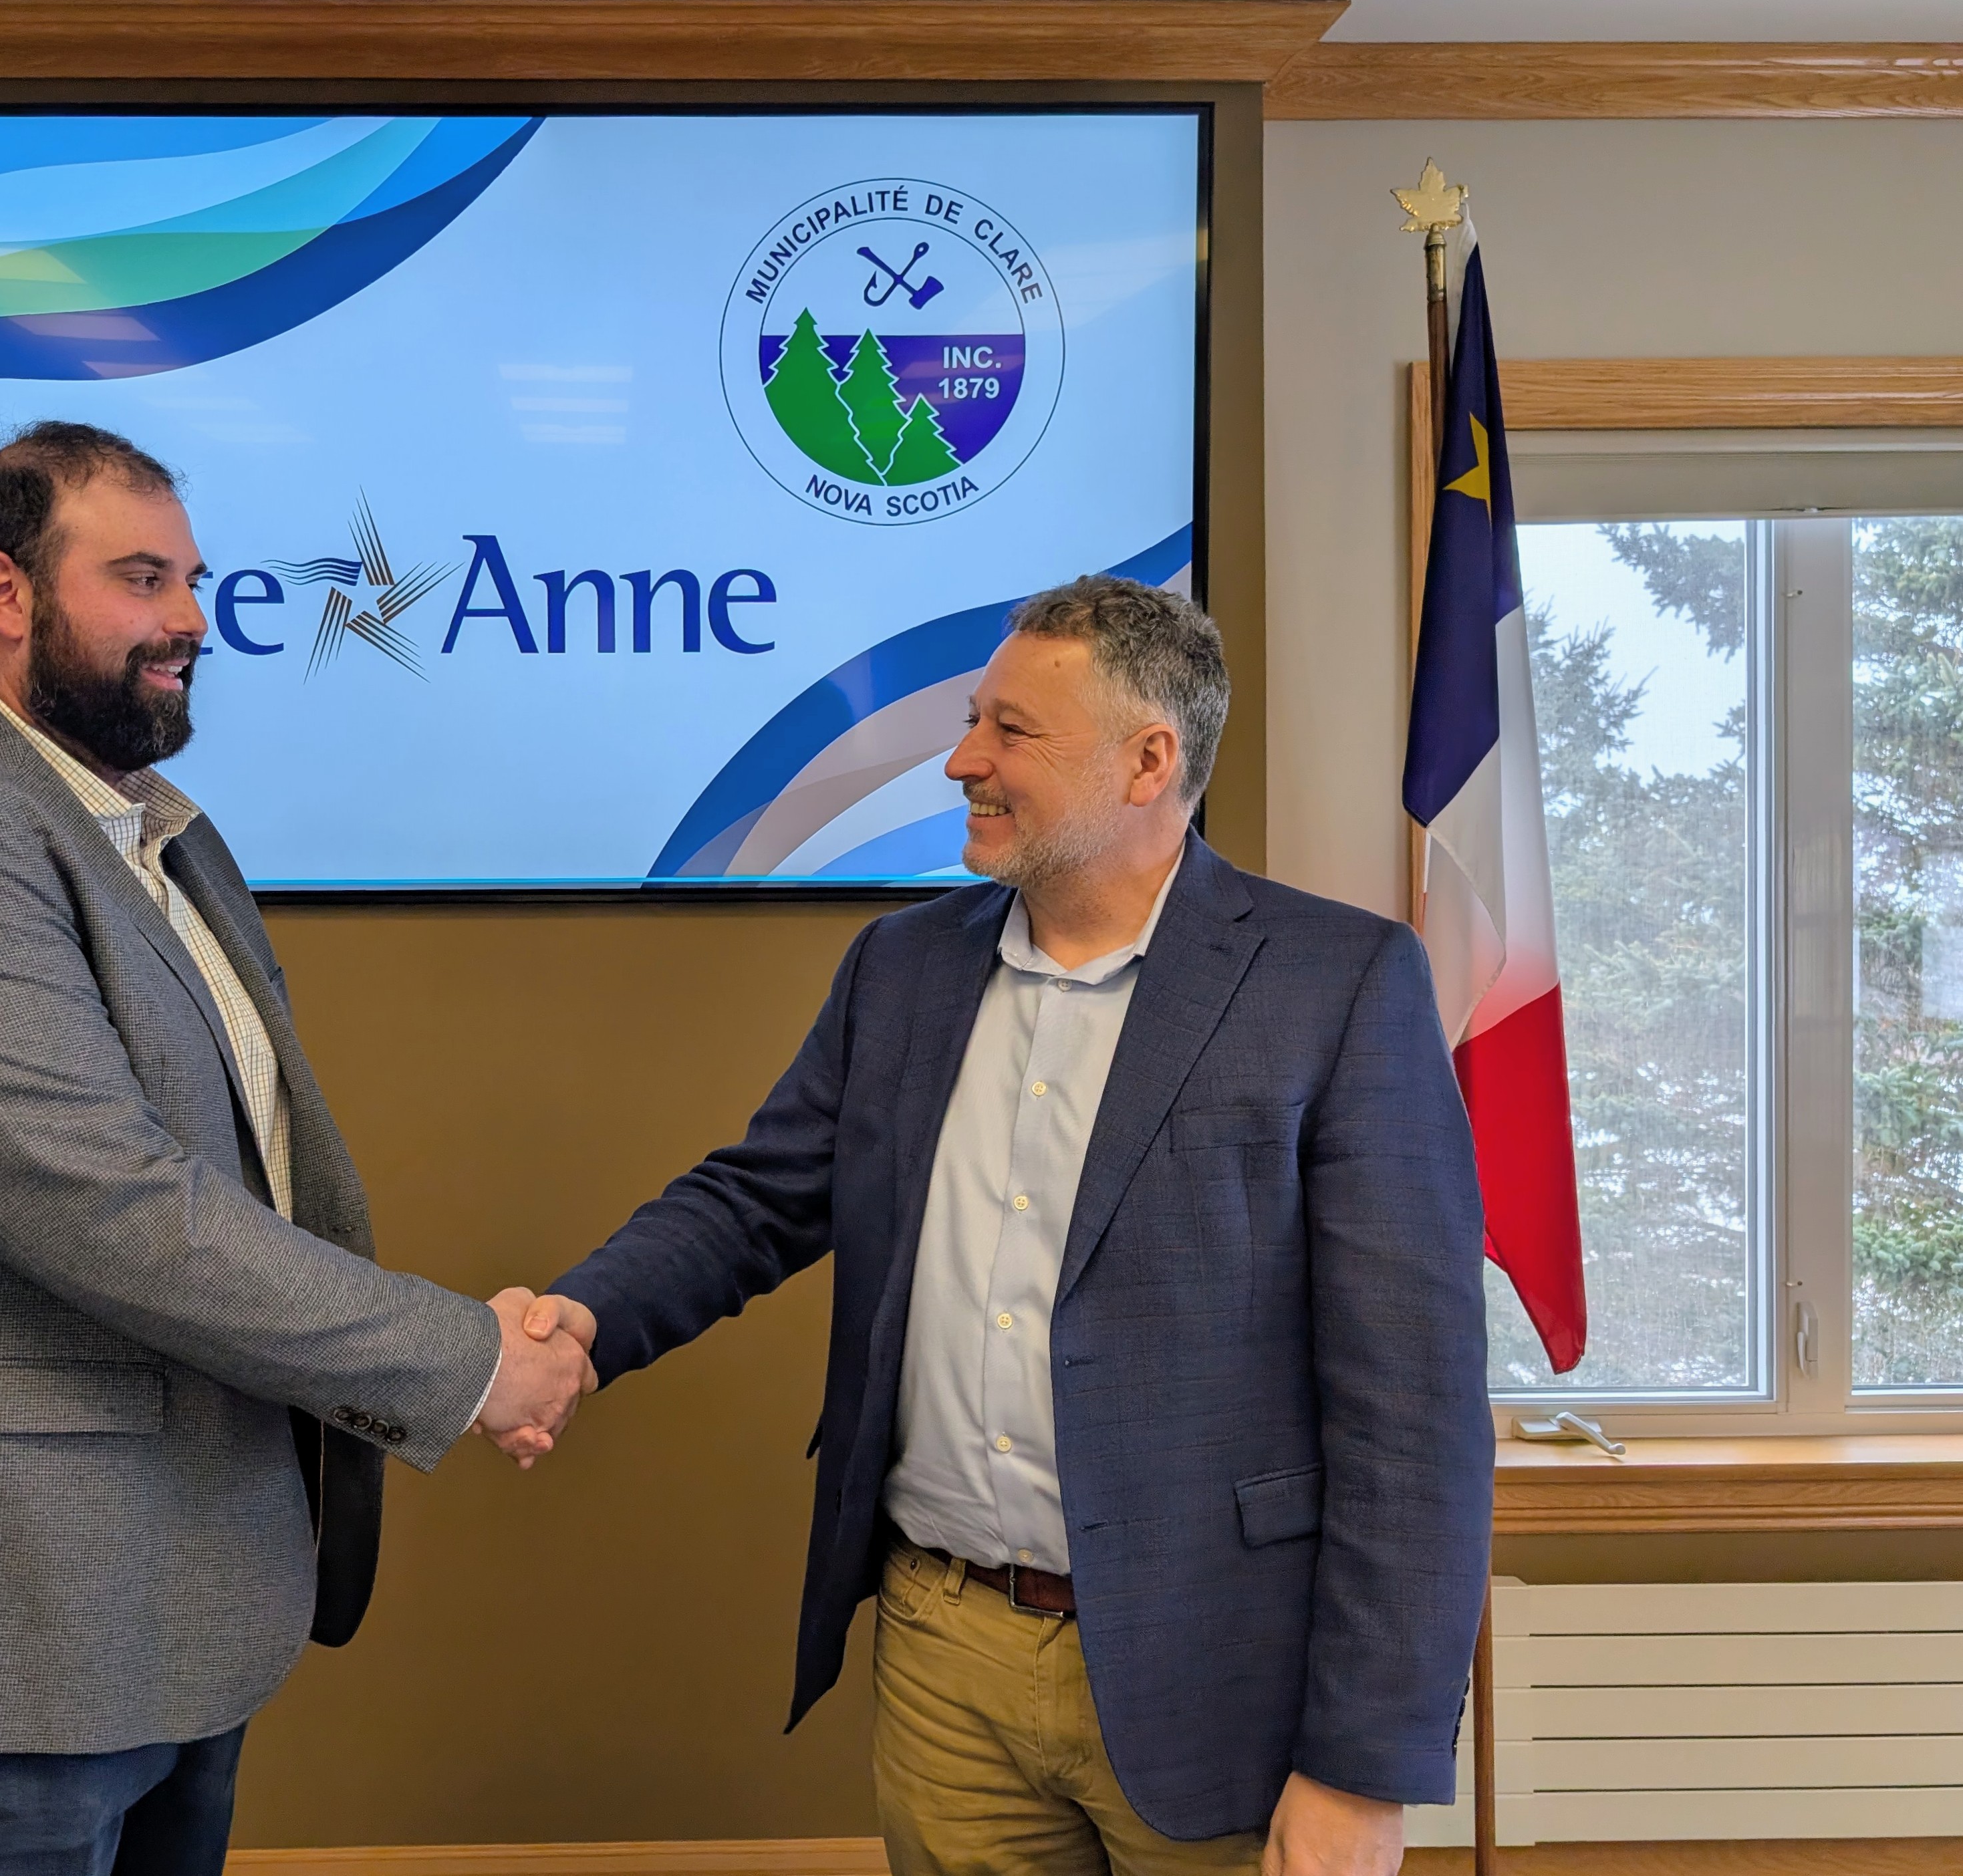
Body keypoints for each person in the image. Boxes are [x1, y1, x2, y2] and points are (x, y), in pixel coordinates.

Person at [0, 421, 590, 1875]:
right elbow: (109, 1204)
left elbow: (248, 1175)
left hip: (151, 1628)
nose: (191, 618)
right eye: (142, 578)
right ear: (5, 591)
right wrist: (468, 1359)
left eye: (194, 579)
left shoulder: (155, 833)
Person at [507, 576, 1493, 1876]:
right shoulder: (901, 966)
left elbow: (1412, 1414)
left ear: (1151, 759)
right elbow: (758, 1197)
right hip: (945, 1656)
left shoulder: (1338, 983)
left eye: (1010, 731)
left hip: (1215, 1668)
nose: (962, 760)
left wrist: (1364, 1767)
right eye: (973, 720)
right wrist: (581, 1321)